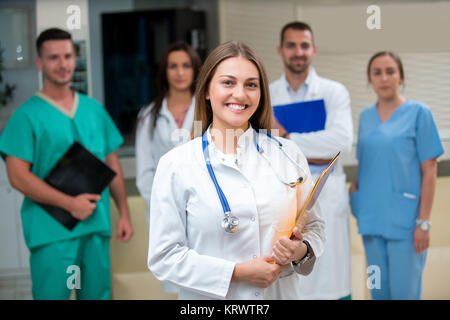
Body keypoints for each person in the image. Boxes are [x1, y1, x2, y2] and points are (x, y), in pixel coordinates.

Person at [147, 41, 326, 299]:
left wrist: (299, 251)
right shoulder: (177, 164)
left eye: (251, 85)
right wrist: (236, 272)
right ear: (207, 90)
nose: (240, 95)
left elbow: (315, 226)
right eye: (228, 83)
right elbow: (164, 258)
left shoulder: (288, 153)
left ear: (261, 93)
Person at [0, 28, 133, 300]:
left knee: (97, 296)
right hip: (53, 232)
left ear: (75, 58)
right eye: (53, 58)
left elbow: (112, 163)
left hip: (96, 226)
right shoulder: (26, 117)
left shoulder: (94, 110)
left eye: (68, 56)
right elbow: (17, 177)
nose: (62, 64)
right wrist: (70, 204)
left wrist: (124, 213)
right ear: (40, 63)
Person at [349, 51, 444, 300]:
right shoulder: (365, 117)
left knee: (405, 294)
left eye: (390, 71)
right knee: (378, 292)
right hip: (371, 221)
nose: (384, 78)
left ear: (401, 76)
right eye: (376, 72)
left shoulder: (419, 113)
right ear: (369, 80)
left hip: (406, 223)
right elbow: (365, 163)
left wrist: (424, 223)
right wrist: (355, 196)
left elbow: (430, 170)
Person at [270, 21, 353, 300]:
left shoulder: (333, 92)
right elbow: (265, 150)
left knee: (331, 277)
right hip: (283, 198)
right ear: (280, 50)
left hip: (326, 196)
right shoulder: (267, 95)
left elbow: (340, 142)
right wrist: (314, 148)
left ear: (314, 49)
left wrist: (285, 136)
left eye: (304, 45)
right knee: (291, 279)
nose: (298, 52)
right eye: (291, 45)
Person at [135, 41, 201, 225]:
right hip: (162, 212)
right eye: (173, 66)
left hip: (203, 208)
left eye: (186, 66)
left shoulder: (210, 111)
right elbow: (145, 172)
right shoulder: (148, 115)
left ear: (195, 69)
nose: (180, 73)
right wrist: (164, 207)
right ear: (164, 71)